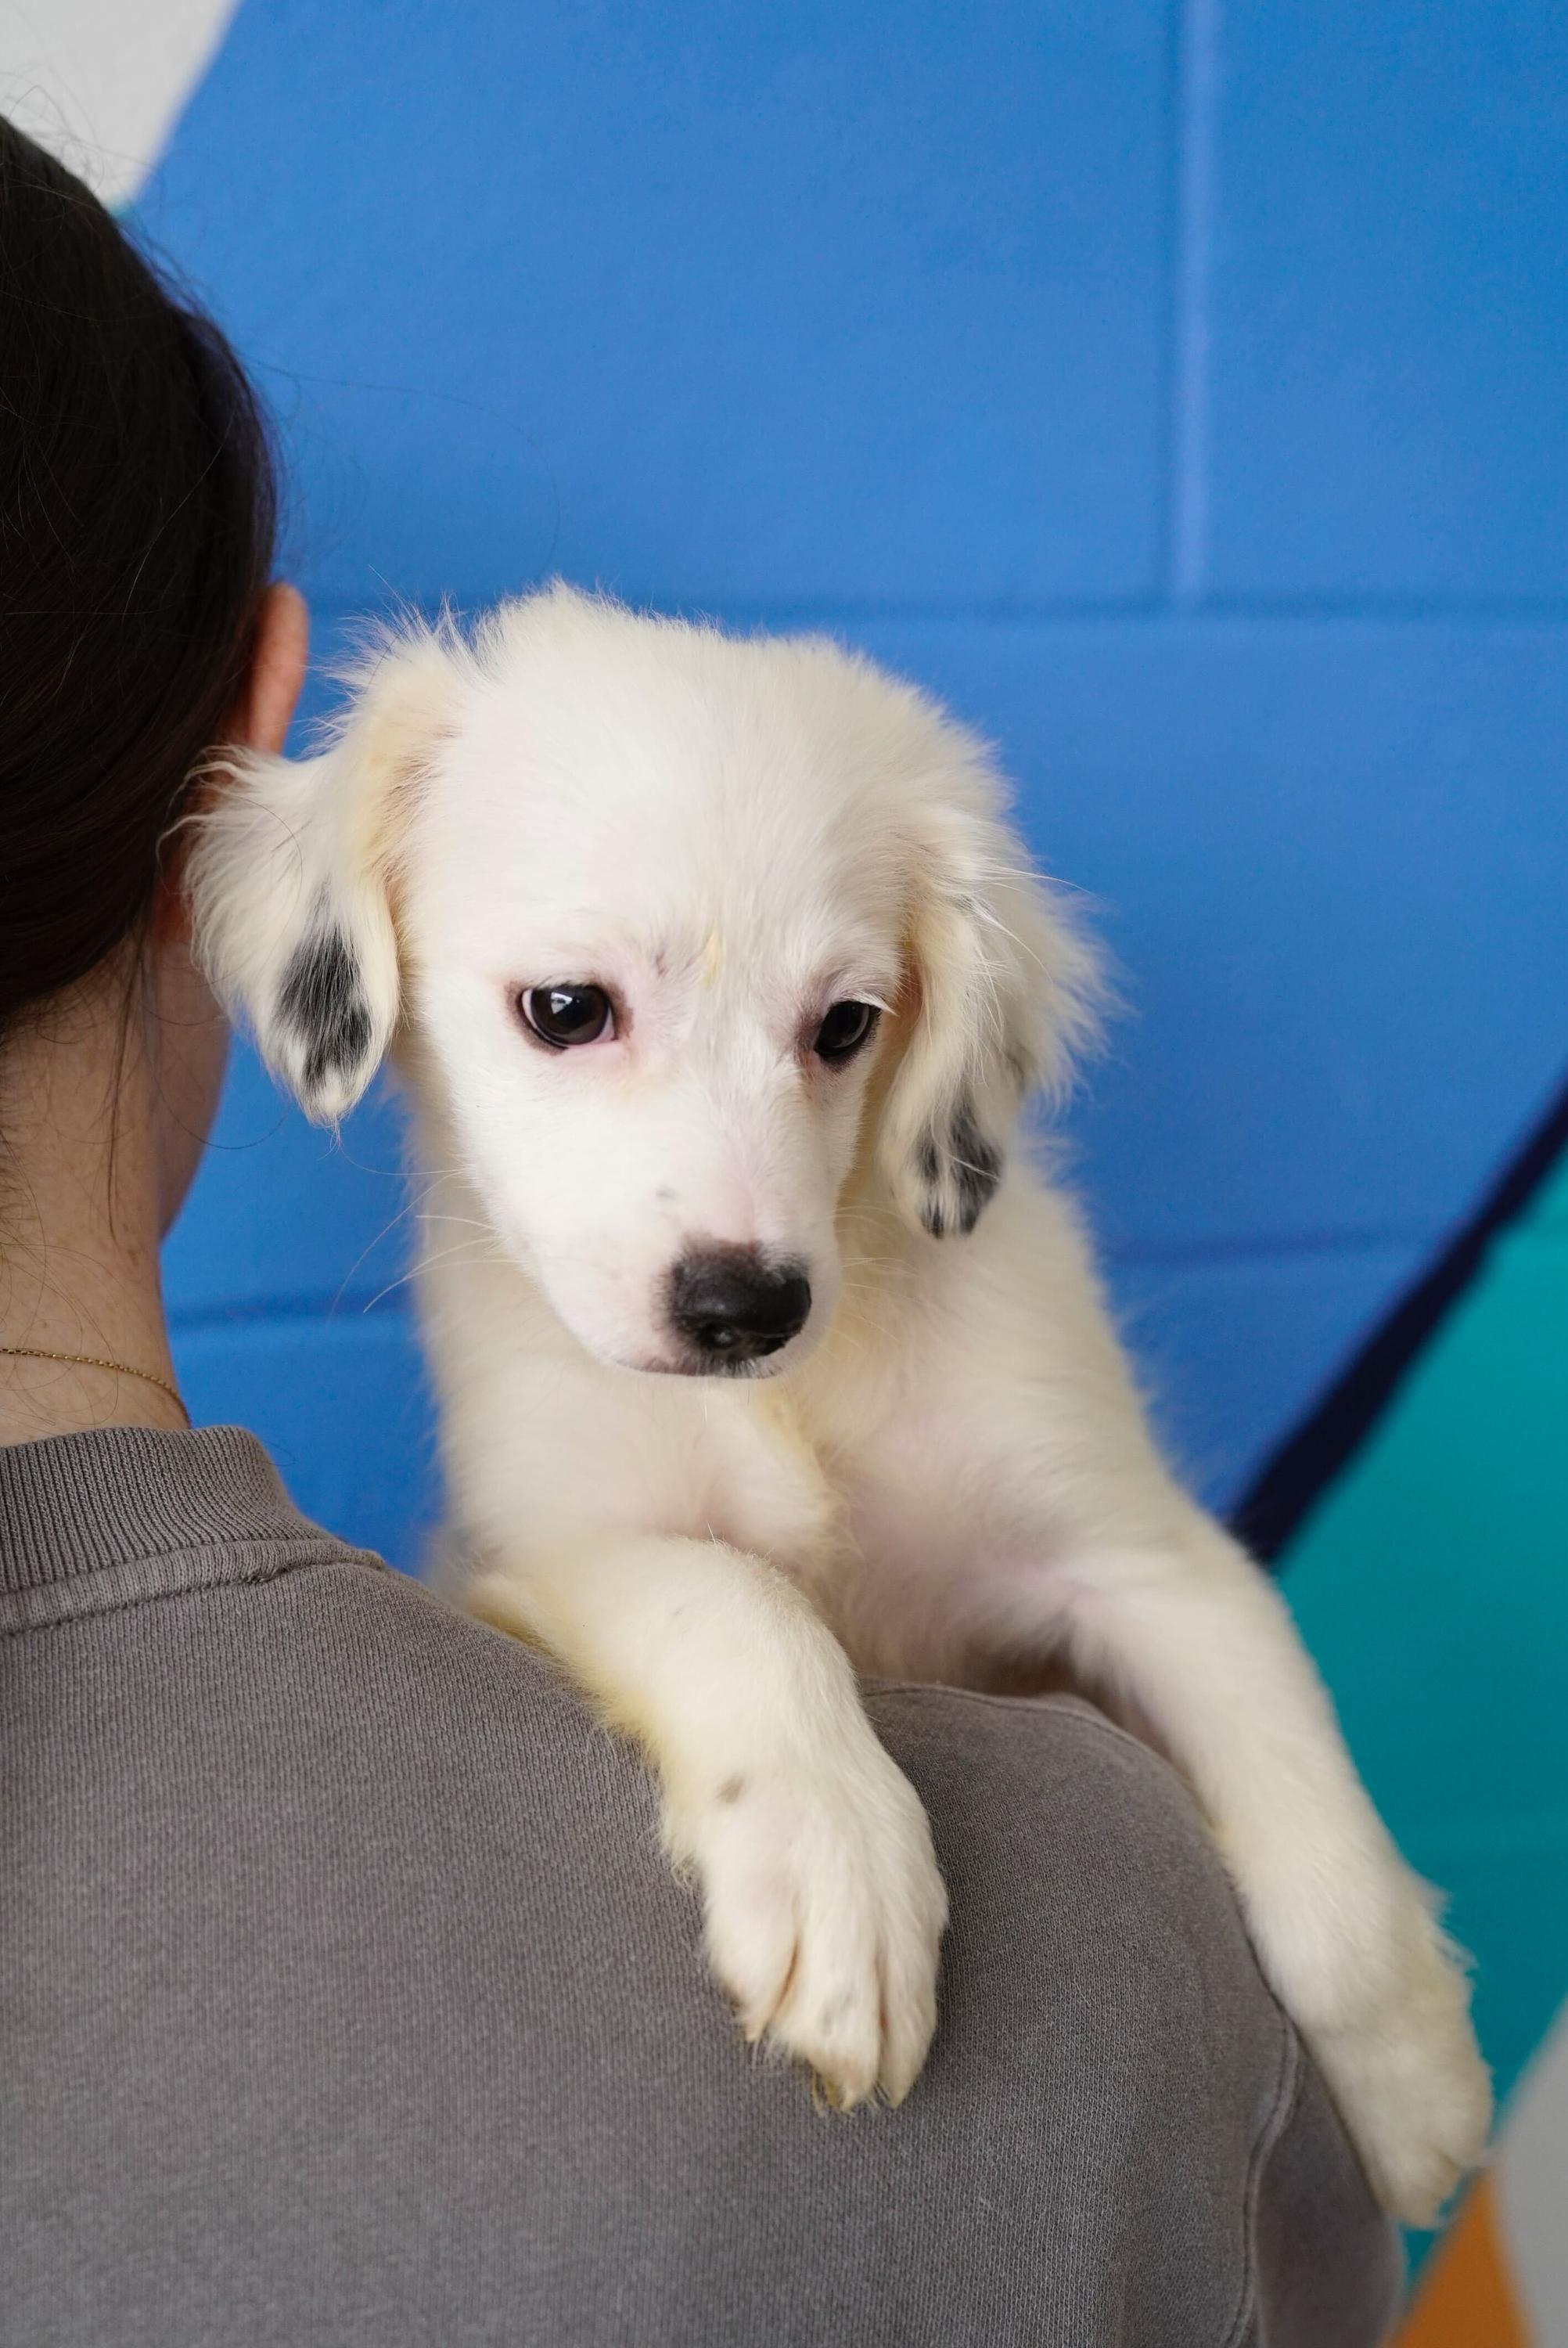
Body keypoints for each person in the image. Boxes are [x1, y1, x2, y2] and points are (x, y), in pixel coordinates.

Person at [0, 119, 1401, 2346]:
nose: (738, 1217)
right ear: (246, 795)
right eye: (569, 1014)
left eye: (834, 1033)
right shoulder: (1121, 1963)